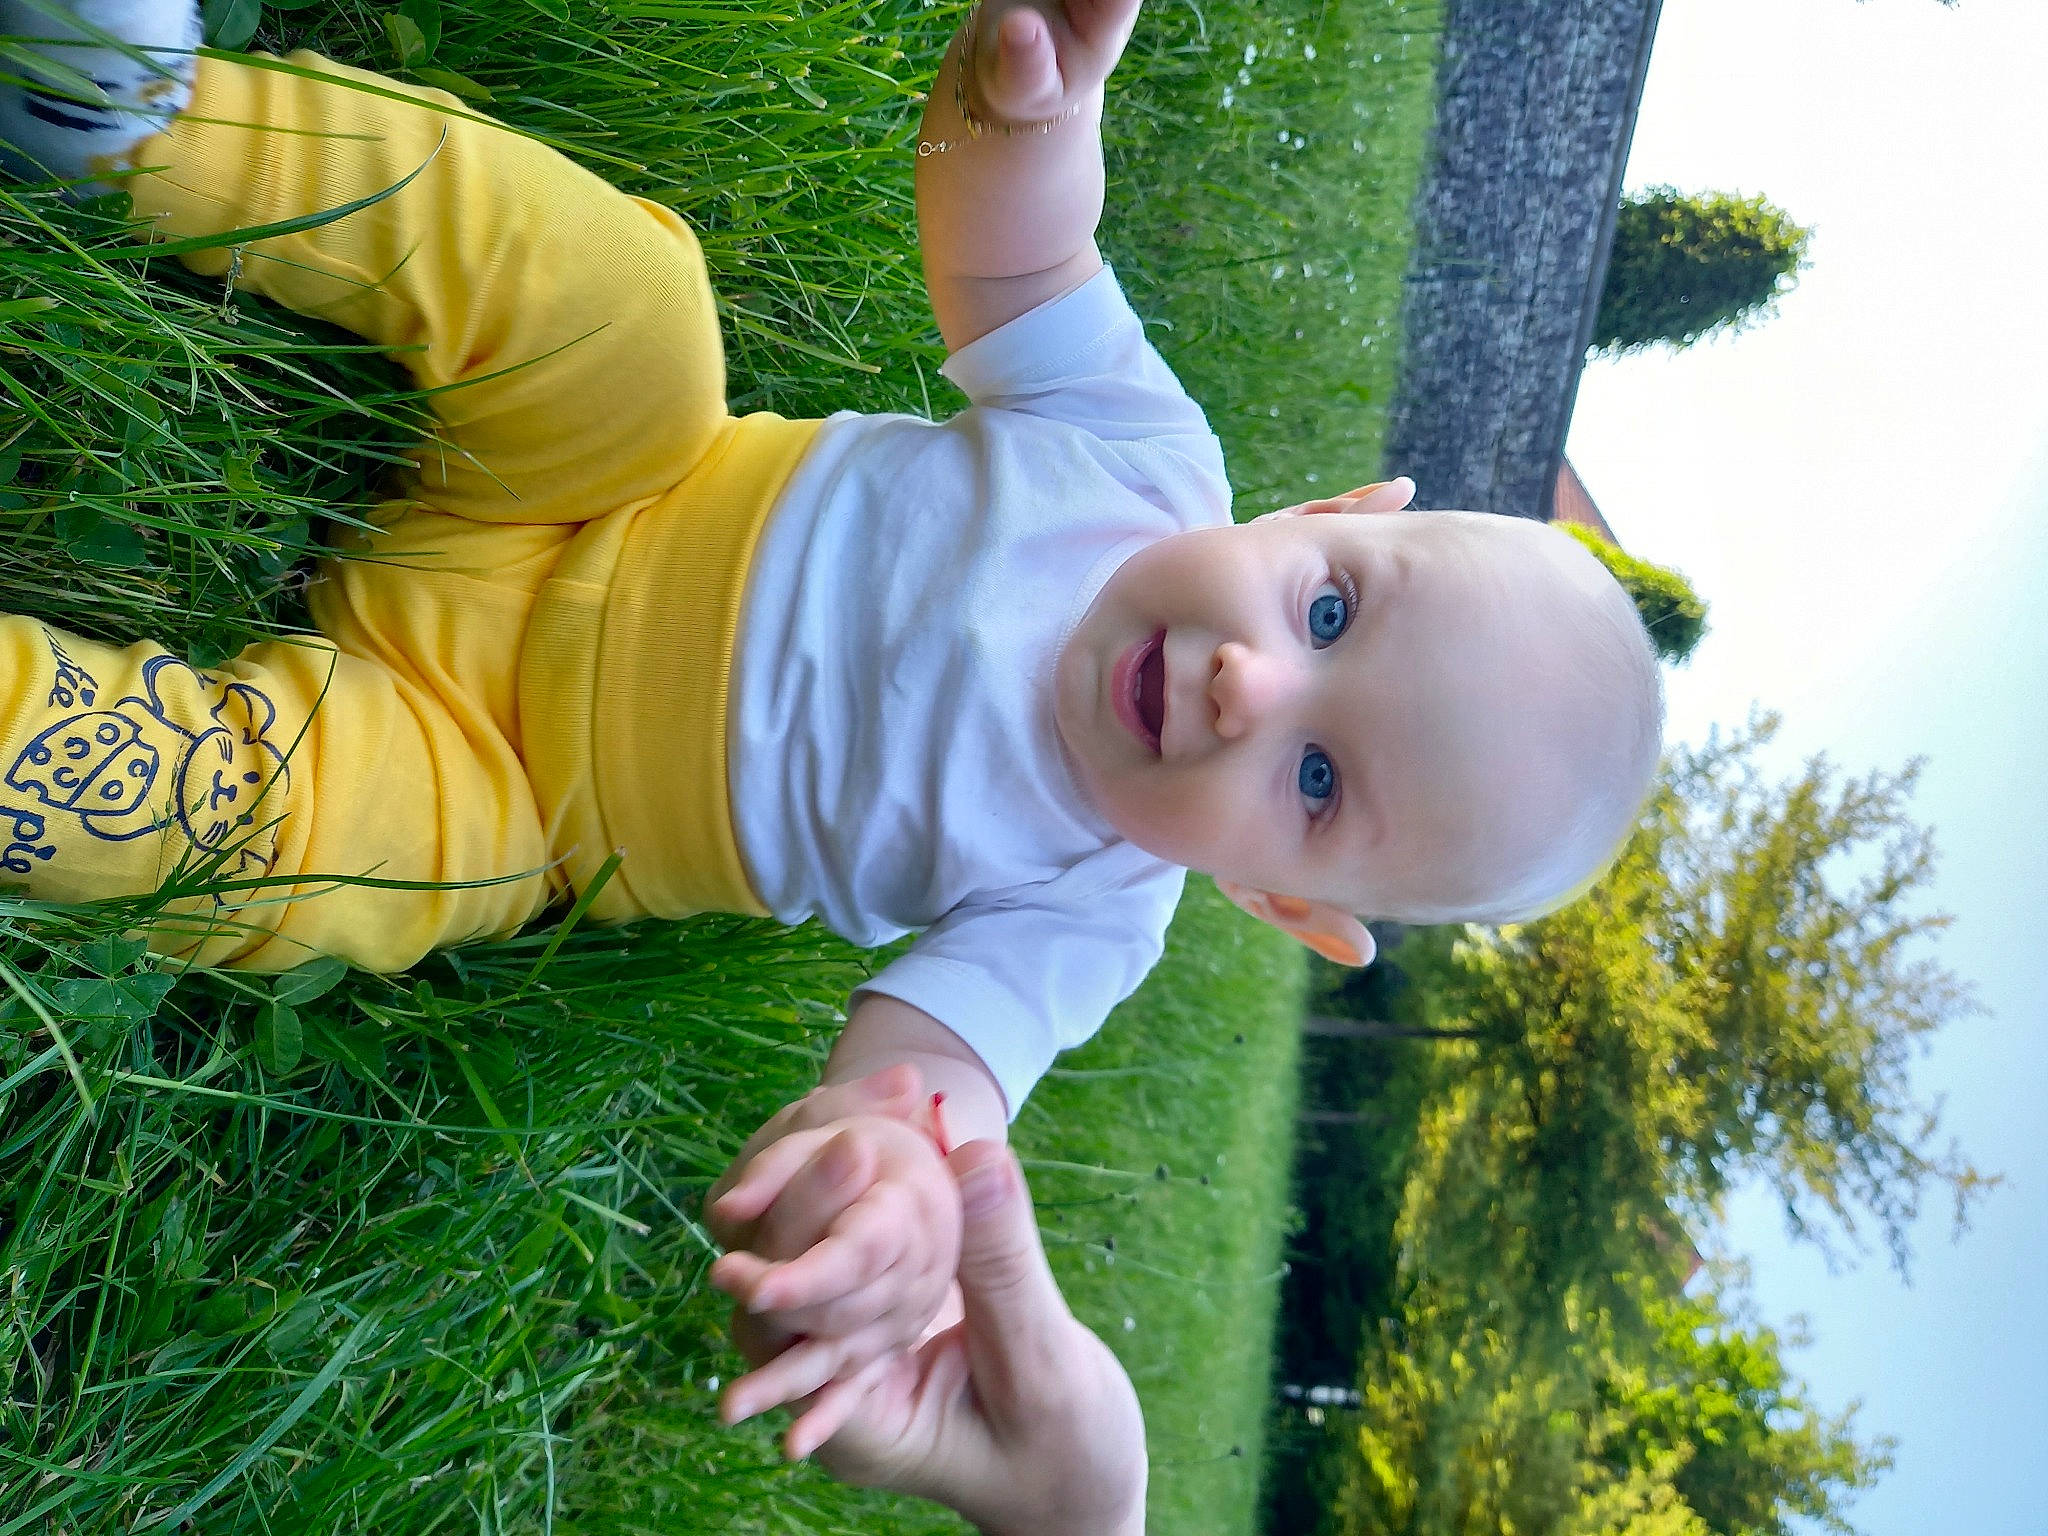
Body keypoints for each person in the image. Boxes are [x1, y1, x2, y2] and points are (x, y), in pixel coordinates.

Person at [0, 0, 1664, 1483]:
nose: (1249, 689)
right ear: (1326, 514)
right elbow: (1010, 263)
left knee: (288, 851)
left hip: (503, 782)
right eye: (1327, 615)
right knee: (622, 296)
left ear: (1280, 905)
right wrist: (1026, 120)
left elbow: (916, 1085)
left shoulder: (1091, 909)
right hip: (617, 470)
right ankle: (129, 120)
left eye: (1315, 782)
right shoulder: (1144, 459)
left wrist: (886, 1183)